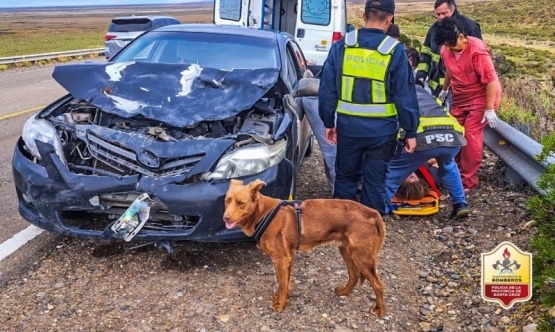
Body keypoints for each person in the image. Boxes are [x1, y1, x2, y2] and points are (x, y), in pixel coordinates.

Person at [318, 0, 419, 216]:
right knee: (374, 183)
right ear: (389, 19)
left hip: (348, 127)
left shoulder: (343, 46)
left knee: (345, 177)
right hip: (381, 132)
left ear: (364, 16)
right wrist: (411, 131)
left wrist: (328, 121)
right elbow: (405, 95)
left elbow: (327, 89)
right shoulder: (395, 51)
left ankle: (340, 228)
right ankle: (368, 234)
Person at [435, 17, 502, 193]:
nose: (450, 48)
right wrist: (445, 89)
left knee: (471, 134)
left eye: (452, 44)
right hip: (460, 95)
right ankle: (452, 171)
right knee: (454, 132)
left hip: (482, 96)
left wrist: (489, 109)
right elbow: (450, 68)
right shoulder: (445, 49)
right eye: (446, 45)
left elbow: (490, 82)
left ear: (462, 36)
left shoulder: (477, 51)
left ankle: (467, 180)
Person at [385, 84, 469, 218]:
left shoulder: (390, 94)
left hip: (422, 137)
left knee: (393, 172)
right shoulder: (423, 92)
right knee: (449, 166)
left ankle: (381, 209)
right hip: (453, 136)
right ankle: (460, 204)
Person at [415, 0, 482, 97]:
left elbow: (478, 62)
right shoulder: (433, 29)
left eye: (444, 13)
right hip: (436, 89)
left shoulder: (470, 27)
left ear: (453, 9)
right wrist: (420, 77)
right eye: (437, 14)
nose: (440, 17)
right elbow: (426, 55)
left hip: (459, 90)